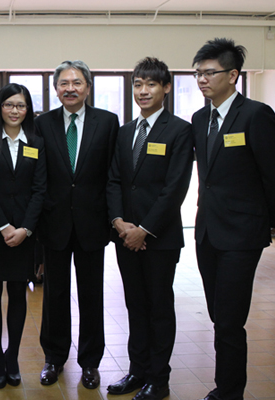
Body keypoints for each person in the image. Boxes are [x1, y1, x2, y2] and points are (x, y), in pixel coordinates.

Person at [191, 38, 275, 400]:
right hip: (207, 232)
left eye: (210, 73)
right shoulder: (199, 119)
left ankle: (229, 391)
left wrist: (271, 224)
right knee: (218, 315)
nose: (202, 80)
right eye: (198, 73)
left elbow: (272, 174)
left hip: (242, 233)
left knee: (229, 320)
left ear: (234, 75)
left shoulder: (256, 114)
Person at [106, 57, 193, 400]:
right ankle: (137, 371)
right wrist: (119, 223)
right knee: (135, 305)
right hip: (125, 237)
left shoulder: (180, 130)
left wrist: (144, 229)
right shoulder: (126, 131)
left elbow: (175, 187)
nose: (143, 91)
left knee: (159, 307)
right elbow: (113, 180)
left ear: (166, 88)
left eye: (151, 84)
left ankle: (159, 379)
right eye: (138, 85)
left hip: (159, 239)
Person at [35, 60, 119, 388]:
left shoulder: (108, 122)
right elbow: (37, 176)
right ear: (55, 89)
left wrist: (115, 220)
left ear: (88, 86)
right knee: (54, 295)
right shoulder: (42, 125)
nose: (70, 88)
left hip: (92, 224)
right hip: (53, 224)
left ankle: (90, 362)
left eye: (77, 82)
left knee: (91, 294)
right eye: (64, 83)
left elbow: (113, 175)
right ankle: (54, 358)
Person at [0, 83, 46, 389]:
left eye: (21, 105)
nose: (15, 111)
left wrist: (25, 229)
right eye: (9, 104)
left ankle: (12, 355)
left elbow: (40, 189)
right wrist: (4, 227)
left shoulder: (36, 143)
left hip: (25, 233)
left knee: (18, 293)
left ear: (27, 110)